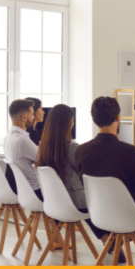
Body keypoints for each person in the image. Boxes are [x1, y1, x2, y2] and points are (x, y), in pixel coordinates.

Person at [74, 96, 135, 266]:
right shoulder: (130, 151)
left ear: (94, 118)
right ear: (118, 118)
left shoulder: (81, 150)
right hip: (130, 215)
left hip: (99, 214)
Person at [35, 104, 109, 243]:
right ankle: (110, 241)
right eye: (72, 120)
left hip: (53, 202)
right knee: (101, 199)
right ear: (69, 123)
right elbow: (88, 172)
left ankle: (56, 239)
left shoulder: (43, 147)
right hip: (74, 203)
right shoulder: (72, 147)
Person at [3, 99, 43, 201]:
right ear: (24, 117)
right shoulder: (22, 140)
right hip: (35, 191)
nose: (33, 117)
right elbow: (44, 158)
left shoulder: (9, 137)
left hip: (24, 188)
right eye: (32, 114)